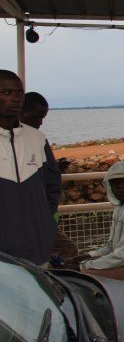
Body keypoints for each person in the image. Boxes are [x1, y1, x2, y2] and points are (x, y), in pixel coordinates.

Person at [0, 70, 61, 265]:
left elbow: (53, 186)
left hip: (37, 253)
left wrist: (45, 222)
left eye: (19, 93)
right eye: (7, 93)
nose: (16, 98)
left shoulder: (37, 139)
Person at [20, 91, 80, 261]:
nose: (41, 122)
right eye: (37, 116)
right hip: (30, 219)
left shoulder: (38, 139)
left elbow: (51, 178)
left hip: (40, 217)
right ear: (22, 112)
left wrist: (47, 213)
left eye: (43, 117)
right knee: (67, 250)